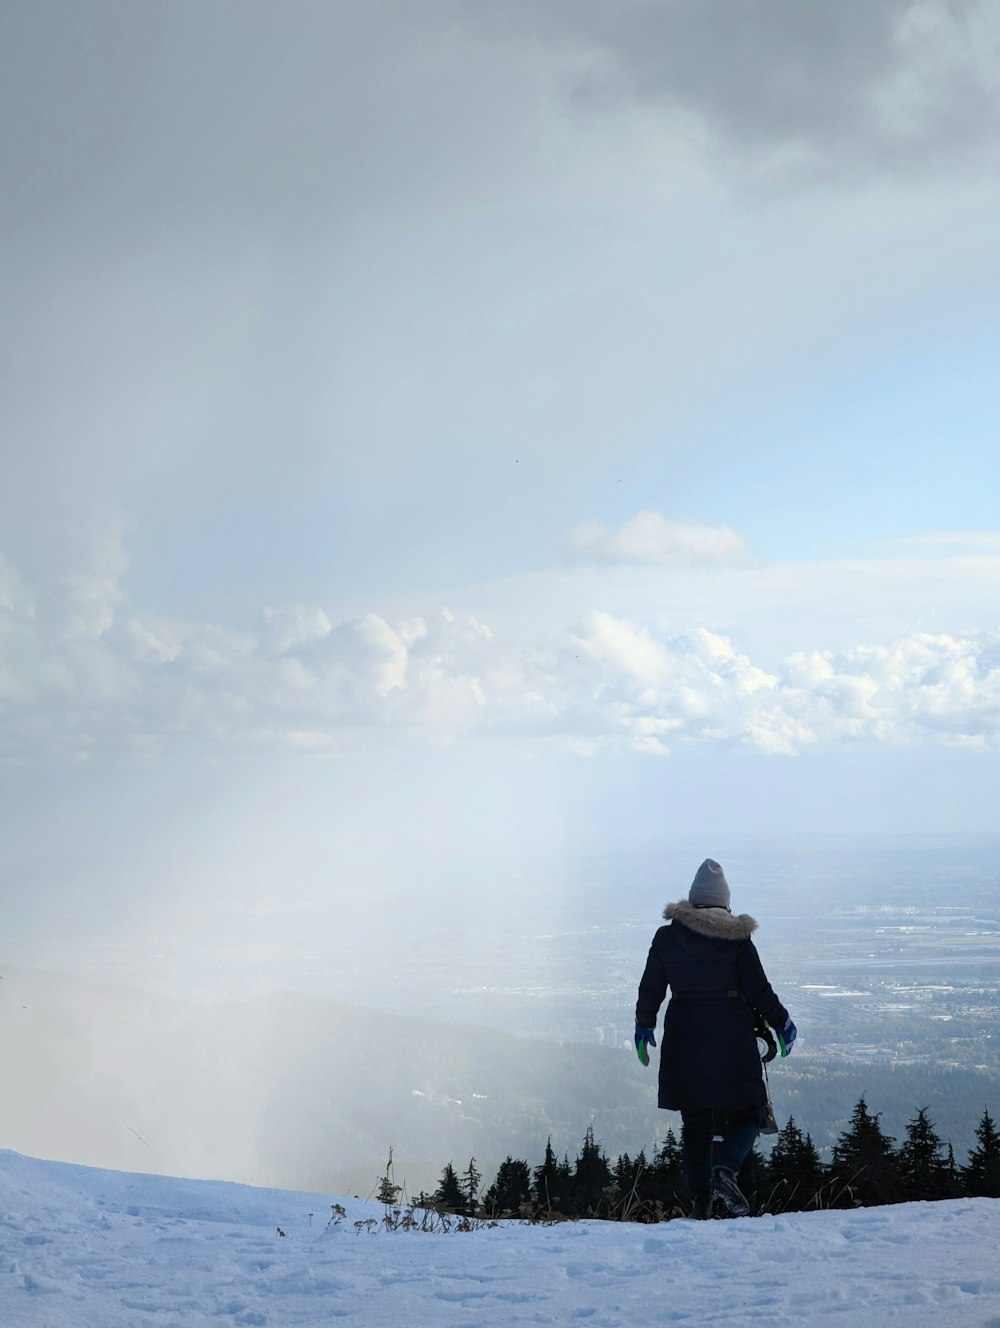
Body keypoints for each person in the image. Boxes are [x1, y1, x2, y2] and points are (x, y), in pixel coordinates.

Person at [634, 858, 796, 1219]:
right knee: (751, 1110)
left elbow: (651, 989)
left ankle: (701, 1203)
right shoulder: (737, 941)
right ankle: (726, 1169)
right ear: (725, 902)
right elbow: (759, 990)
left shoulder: (667, 937)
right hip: (731, 1041)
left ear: (693, 900)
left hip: (684, 1038)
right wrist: (782, 1023)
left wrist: (643, 1027)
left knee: (696, 1123)